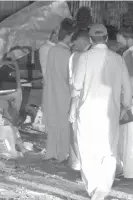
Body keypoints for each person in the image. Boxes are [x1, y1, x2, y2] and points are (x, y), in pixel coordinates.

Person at [69, 24, 132, 200]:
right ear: (106, 38)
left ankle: (93, 188)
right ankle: (103, 189)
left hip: (87, 111)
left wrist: (72, 107)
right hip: (110, 112)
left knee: (87, 149)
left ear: (90, 39)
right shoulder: (118, 59)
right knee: (109, 149)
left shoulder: (84, 58)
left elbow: (76, 87)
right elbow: (127, 86)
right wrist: (125, 106)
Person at [42, 18, 75, 162]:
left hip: (51, 93)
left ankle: (51, 153)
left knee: (53, 126)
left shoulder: (52, 50)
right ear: (68, 36)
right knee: (64, 127)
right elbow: (70, 78)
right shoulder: (67, 54)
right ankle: (62, 155)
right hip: (64, 95)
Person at [68, 29, 92, 171]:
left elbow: (75, 84)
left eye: (75, 42)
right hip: (91, 102)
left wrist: (72, 106)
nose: (73, 45)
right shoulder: (79, 55)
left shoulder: (79, 57)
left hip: (81, 102)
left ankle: (82, 166)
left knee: (78, 134)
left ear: (82, 41)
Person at [116, 28, 133, 179]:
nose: (118, 40)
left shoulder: (128, 54)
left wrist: (125, 102)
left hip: (131, 98)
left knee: (129, 136)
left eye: (119, 37)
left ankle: (129, 170)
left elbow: (129, 80)